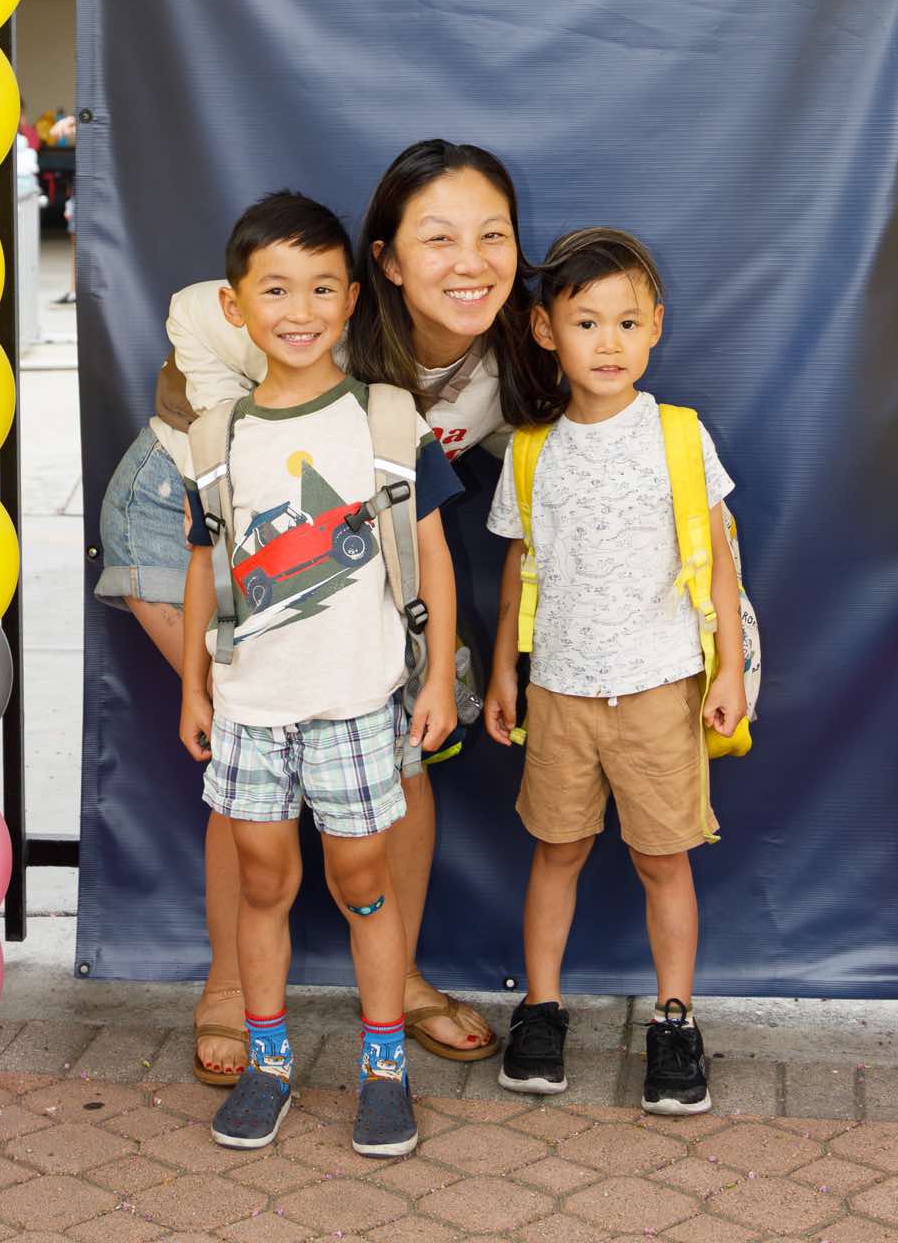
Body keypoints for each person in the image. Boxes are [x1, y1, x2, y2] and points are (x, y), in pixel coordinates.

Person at [96, 138, 554, 1079]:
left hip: (346, 554)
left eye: (492, 236)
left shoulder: (503, 365)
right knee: (250, 734)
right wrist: (234, 441)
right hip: (189, 522)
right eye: (437, 238)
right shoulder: (315, 318)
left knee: (402, 756)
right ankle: (229, 988)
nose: (469, 262)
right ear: (384, 261)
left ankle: (403, 979)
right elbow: (194, 314)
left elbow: (529, 467)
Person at [178, 190, 459, 1158]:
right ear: (234, 304)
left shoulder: (387, 420)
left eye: (321, 288)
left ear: (351, 299)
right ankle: (268, 1062)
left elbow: (432, 556)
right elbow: (204, 564)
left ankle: (383, 1068)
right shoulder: (217, 435)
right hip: (250, 709)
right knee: (262, 883)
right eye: (275, 289)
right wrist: (193, 685)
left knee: (362, 880)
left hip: (355, 705)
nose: (298, 310)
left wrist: (437, 679)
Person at [483, 227, 747, 1116]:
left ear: (655, 327)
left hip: (660, 688)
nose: (609, 343)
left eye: (627, 323)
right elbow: (519, 570)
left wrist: (728, 671)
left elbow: (719, 557)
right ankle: (540, 1009)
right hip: (558, 690)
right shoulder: (531, 448)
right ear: (545, 331)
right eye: (586, 322)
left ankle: (673, 1020)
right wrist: (503, 674)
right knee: (555, 850)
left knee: (662, 859)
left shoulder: (678, 435)